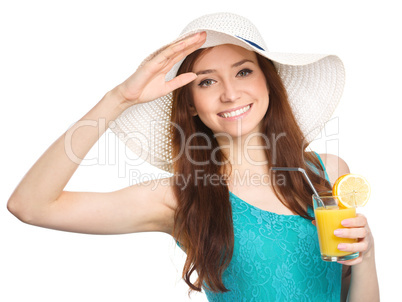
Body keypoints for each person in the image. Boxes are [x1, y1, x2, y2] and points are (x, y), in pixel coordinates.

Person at [7, 12, 379, 301]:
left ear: (268, 82)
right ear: (191, 104)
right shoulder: (178, 196)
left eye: (244, 71)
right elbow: (31, 206)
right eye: (207, 81)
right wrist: (118, 99)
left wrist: (367, 258)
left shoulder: (327, 173)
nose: (231, 93)